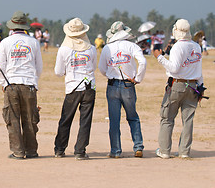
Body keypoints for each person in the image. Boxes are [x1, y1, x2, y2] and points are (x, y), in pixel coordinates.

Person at [153, 19, 204, 159]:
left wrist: (160, 57)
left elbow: (174, 68)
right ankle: (184, 152)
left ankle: (164, 150)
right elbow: (199, 70)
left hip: (177, 84)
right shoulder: (196, 46)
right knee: (188, 120)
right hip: (193, 85)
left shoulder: (177, 47)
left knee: (167, 118)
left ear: (176, 30)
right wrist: (201, 87)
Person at [0, 11, 43, 159]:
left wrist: (4, 84)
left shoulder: (5, 42)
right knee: (30, 119)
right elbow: (39, 66)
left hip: (11, 84)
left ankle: (17, 151)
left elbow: (0, 66)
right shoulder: (33, 42)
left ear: (12, 26)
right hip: (29, 84)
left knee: (13, 119)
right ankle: (31, 150)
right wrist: (33, 81)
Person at [98, 21, 147, 158]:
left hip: (113, 85)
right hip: (128, 85)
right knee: (132, 117)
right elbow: (143, 61)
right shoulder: (132, 46)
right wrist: (138, 78)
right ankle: (138, 147)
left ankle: (115, 151)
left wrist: (109, 74)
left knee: (114, 120)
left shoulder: (107, 48)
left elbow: (102, 68)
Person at [54, 18, 97, 160]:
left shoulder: (64, 49)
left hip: (72, 87)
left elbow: (58, 72)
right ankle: (80, 151)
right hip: (89, 86)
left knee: (66, 119)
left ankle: (60, 149)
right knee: (85, 120)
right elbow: (93, 67)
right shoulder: (91, 49)